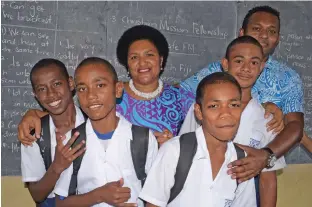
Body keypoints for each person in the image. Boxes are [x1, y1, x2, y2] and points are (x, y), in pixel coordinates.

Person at [180, 5, 304, 183]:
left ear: (278, 39)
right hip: (204, 173)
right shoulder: (216, 72)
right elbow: (179, 94)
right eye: (256, 29)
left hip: (255, 175)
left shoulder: (288, 78)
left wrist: (265, 156)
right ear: (241, 32)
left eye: (272, 31)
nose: (263, 35)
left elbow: (295, 127)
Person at [18, 25, 194, 147]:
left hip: (167, 187)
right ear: (127, 63)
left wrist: (174, 145)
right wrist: (33, 114)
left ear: (161, 60)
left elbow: (204, 137)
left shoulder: (182, 98)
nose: (142, 63)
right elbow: (73, 117)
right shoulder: (109, 93)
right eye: (134, 57)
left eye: (149, 55)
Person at [180, 36, 286, 207]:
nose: (246, 68)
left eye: (254, 62)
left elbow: (268, 179)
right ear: (225, 64)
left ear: (261, 67)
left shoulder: (267, 118)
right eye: (239, 61)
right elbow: (181, 156)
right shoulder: (202, 109)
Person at [53, 57, 158, 207]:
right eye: (82, 89)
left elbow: (156, 198)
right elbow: (60, 203)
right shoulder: (72, 140)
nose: (90, 96)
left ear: (118, 89)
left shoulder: (143, 139)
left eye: (100, 85)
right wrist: (98, 195)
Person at [139, 72, 246, 207]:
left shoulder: (242, 161)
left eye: (234, 105)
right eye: (214, 106)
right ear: (199, 112)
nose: (225, 114)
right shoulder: (175, 151)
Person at [21, 59, 86, 206]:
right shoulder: (34, 135)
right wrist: (57, 166)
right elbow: (37, 195)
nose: (51, 94)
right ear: (35, 94)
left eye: (57, 84)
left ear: (70, 83)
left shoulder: (94, 123)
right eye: (42, 89)